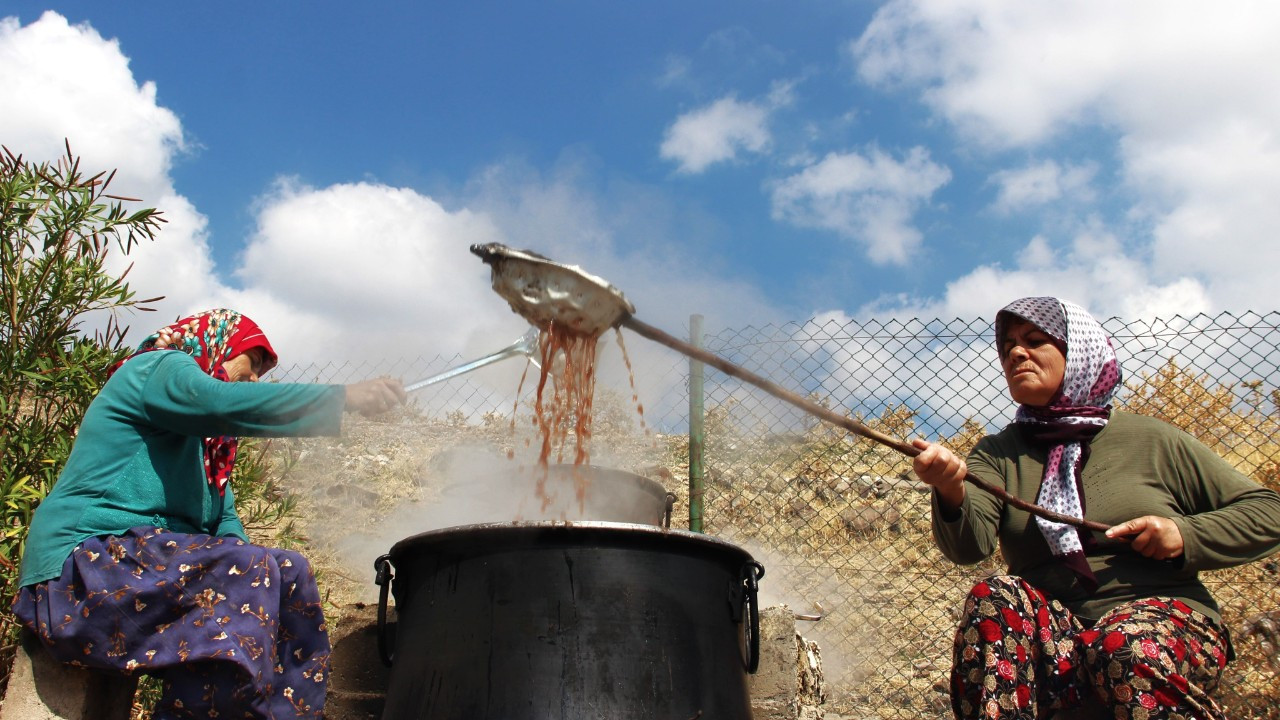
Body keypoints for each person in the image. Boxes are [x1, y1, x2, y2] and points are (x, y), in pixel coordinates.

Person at [10, 308, 406, 719]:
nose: (253, 380)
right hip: (78, 576)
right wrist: (340, 398)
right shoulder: (157, 368)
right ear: (217, 344)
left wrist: (266, 589)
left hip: (140, 573)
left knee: (289, 571)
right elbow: (218, 403)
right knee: (250, 571)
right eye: (249, 365)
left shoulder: (207, 455)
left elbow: (229, 534)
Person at [911, 296, 1280, 720]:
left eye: (1034, 340)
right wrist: (949, 489)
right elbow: (968, 548)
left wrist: (1184, 535)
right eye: (1007, 345)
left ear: (1080, 351)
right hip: (1057, 634)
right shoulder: (999, 453)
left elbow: (1267, 510)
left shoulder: (1150, 439)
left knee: (1119, 647)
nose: (1015, 352)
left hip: (1159, 617)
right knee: (993, 597)